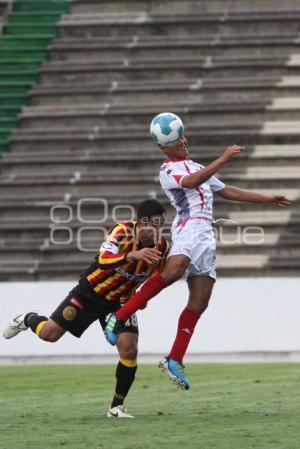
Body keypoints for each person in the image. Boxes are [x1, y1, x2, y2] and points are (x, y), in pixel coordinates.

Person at [105, 115, 292, 390]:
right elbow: (191, 182)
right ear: (163, 148)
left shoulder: (196, 165)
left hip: (206, 233)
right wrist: (223, 158)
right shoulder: (167, 171)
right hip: (188, 225)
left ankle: (174, 359)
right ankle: (119, 316)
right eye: (175, 141)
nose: (182, 142)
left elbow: (226, 190)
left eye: (182, 138)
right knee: (173, 271)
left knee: (200, 301)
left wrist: (266, 199)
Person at [3, 199, 170, 418]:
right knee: (49, 335)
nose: (159, 230)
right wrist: (131, 255)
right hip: (90, 293)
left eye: (162, 225)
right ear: (141, 222)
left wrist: (143, 295)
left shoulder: (163, 247)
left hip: (120, 301)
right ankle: (28, 319)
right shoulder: (122, 232)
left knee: (129, 348)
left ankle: (116, 406)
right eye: (155, 225)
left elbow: (159, 275)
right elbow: (103, 258)